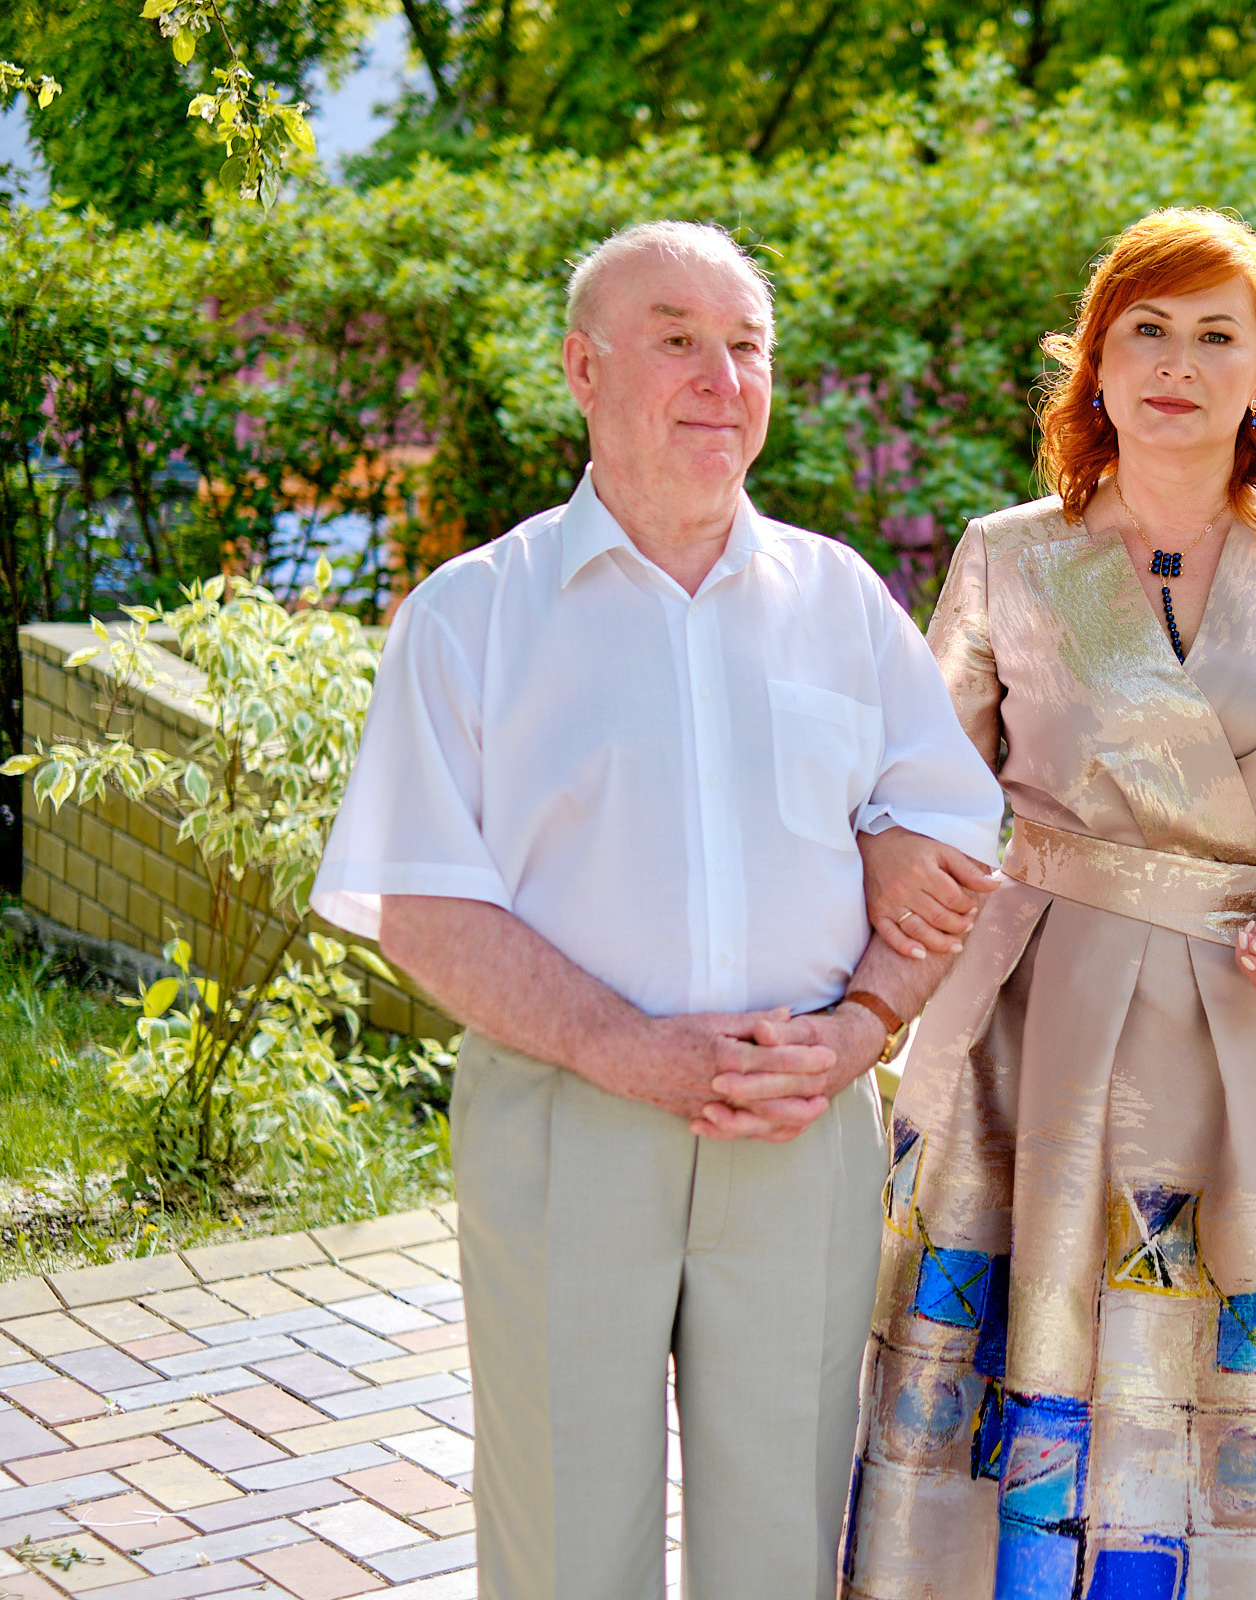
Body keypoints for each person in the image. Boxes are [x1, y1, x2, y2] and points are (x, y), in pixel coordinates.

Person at [309, 220, 1005, 1600]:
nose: (720, 375)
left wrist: (864, 1022)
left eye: (746, 346)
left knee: (784, 1546)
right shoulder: (472, 615)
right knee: (568, 1541)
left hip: (803, 1122)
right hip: (572, 1119)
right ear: (583, 367)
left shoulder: (843, 604)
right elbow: (424, 910)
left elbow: (946, 847)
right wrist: (635, 1052)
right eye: (677, 339)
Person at [827, 209, 1256, 1600]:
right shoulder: (1010, 557)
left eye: (1216, 336)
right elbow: (916, 794)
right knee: (1036, 1333)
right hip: (1041, 1031)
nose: (1179, 363)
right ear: (1098, 363)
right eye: (1148, 330)